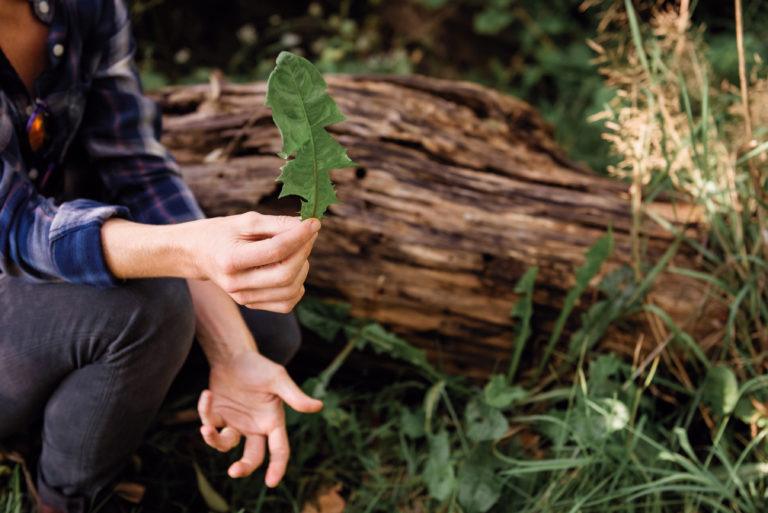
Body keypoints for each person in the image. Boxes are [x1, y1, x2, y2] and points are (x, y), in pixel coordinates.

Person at [0, 0, 325, 511]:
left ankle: (76, 416)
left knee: (262, 330)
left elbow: (136, 167)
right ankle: (63, 499)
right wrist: (186, 252)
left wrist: (232, 350)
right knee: (148, 310)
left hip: (37, 263)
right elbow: (11, 226)